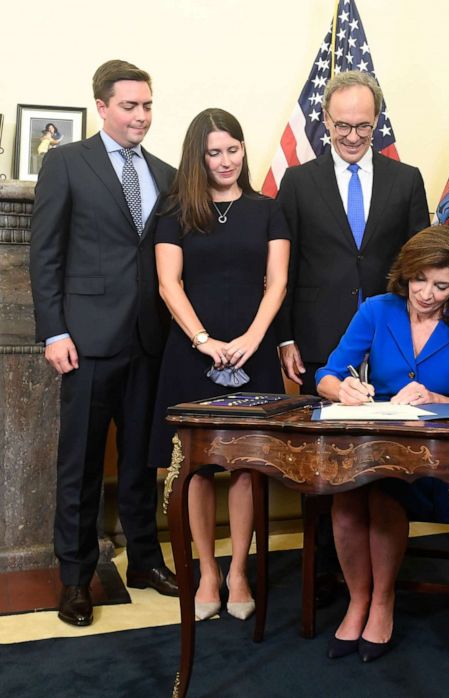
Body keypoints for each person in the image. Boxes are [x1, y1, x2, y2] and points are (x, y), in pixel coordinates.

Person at [29, 59, 179, 628]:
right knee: (82, 465)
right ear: (101, 107)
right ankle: (74, 578)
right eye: (129, 106)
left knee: (142, 461)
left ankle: (144, 560)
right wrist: (54, 330)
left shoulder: (166, 173)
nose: (140, 116)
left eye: (146, 105)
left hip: (149, 340)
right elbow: (44, 254)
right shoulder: (67, 163)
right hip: (85, 341)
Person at [275, 70, 430, 606]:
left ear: (376, 122)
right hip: (321, 336)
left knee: (382, 462)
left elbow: (422, 265)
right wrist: (286, 337)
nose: (352, 136)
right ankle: (323, 568)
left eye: (363, 126)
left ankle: (380, 579)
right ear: (325, 121)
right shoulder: (298, 182)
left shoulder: (406, 179)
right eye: (342, 125)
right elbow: (284, 268)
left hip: (390, 342)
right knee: (324, 461)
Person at [315, 225, 449, 662]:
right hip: (368, 447)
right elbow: (328, 373)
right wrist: (343, 391)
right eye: (419, 280)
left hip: (430, 460)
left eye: (441, 285)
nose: (427, 293)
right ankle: (358, 599)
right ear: (405, 274)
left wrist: (435, 397)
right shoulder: (377, 311)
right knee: (347, 496)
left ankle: (383, 600)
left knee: (384, 492)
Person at [148, 108, 290, 621]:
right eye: (214, 152)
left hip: (254, 352)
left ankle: (238, 572)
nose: (226, 160)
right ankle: (207, 570)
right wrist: (203, 339)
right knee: (198, 468)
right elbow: (169, 284)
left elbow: (277, 283)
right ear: (198, 157)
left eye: (233, 149)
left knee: (248, 466)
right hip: (192, 354)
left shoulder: (268, 209)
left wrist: (254, 338)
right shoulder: (174, 211)